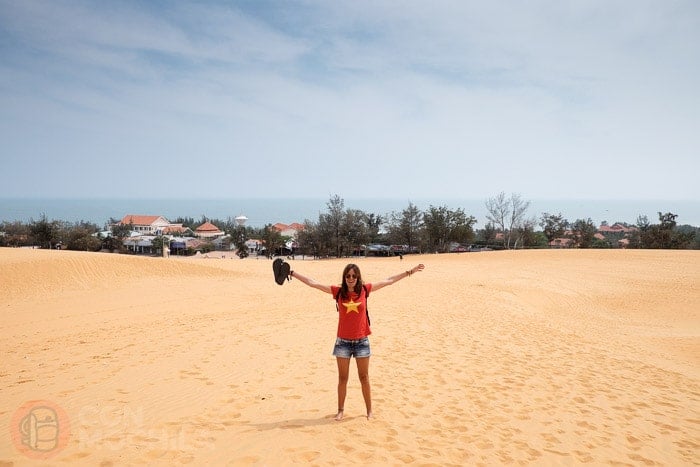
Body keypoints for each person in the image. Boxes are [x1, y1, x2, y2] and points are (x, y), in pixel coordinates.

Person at [289, 262, 425, 420]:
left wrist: (410, 272)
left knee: (364, 377)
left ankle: (369, 411)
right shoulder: (338, 292)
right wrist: (292, 273)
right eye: (348, 276)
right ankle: (340, 410)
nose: (351, 278)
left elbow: (388, 280)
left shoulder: (365, 290)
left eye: (354, 276)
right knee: (342, 378)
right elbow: (313, 283)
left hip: (361, 341)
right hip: (343, 342)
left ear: (358, 277)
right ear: (344, 278)